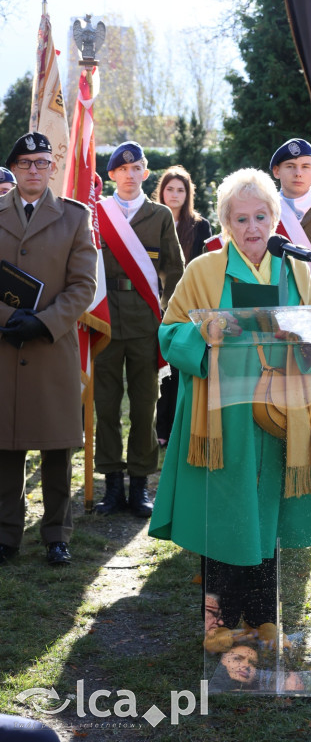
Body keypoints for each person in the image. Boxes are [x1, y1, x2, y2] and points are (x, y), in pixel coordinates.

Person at [149, 168, 311, 640]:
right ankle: (219, 622)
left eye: (261, 216)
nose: (253, 227)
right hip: (223, 416)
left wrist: (305, 339)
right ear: (226, 224)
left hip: (281, 413)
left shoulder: (295, 268)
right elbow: (170, 333)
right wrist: (208, 335)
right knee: (225, 515)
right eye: (241, 218)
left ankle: (262, 617)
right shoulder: (204, 270)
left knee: (266, 514)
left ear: (275, 220)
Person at [0, 132, 97, 565]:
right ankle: (6, 534)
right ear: (14, 169)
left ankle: (57, 535)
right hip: (4, 348)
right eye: (25, 163)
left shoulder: (75, 218)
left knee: (57, 448)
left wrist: (41, 321)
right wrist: (8, 321)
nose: (34, 170)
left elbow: (83, 287)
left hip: (52, 347)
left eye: (41, 162)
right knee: (6, 447)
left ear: (52, 168)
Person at [93, 141, 185, 518]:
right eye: (122, 170)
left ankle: (141, 483)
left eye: (137, 169)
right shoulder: (98, 213)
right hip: (104, 322)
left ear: (145, 173)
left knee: (146, 406)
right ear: (112, 175)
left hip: (147, 321)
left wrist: (170, 317)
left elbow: (175, 271)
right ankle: (112, 482)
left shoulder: (160, 214)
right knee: (107, 405)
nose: (130, 176)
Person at [270, 137, 311, 441]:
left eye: (305, 166)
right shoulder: (263, 213)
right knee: (272, 401)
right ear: (276, 171)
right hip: (273, 321)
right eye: (290, 166)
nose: (298, 172)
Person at [153, 165, 212, 447]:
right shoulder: (149, 220)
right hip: (153, 301)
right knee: (160, 371)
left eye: (181, 190)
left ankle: (180, 425)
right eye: (170, 189)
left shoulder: (200, 226)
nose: (174, 194)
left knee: (180, 369)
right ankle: (161, 428)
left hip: (188, 305)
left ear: (188, 194)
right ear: (161, 191)